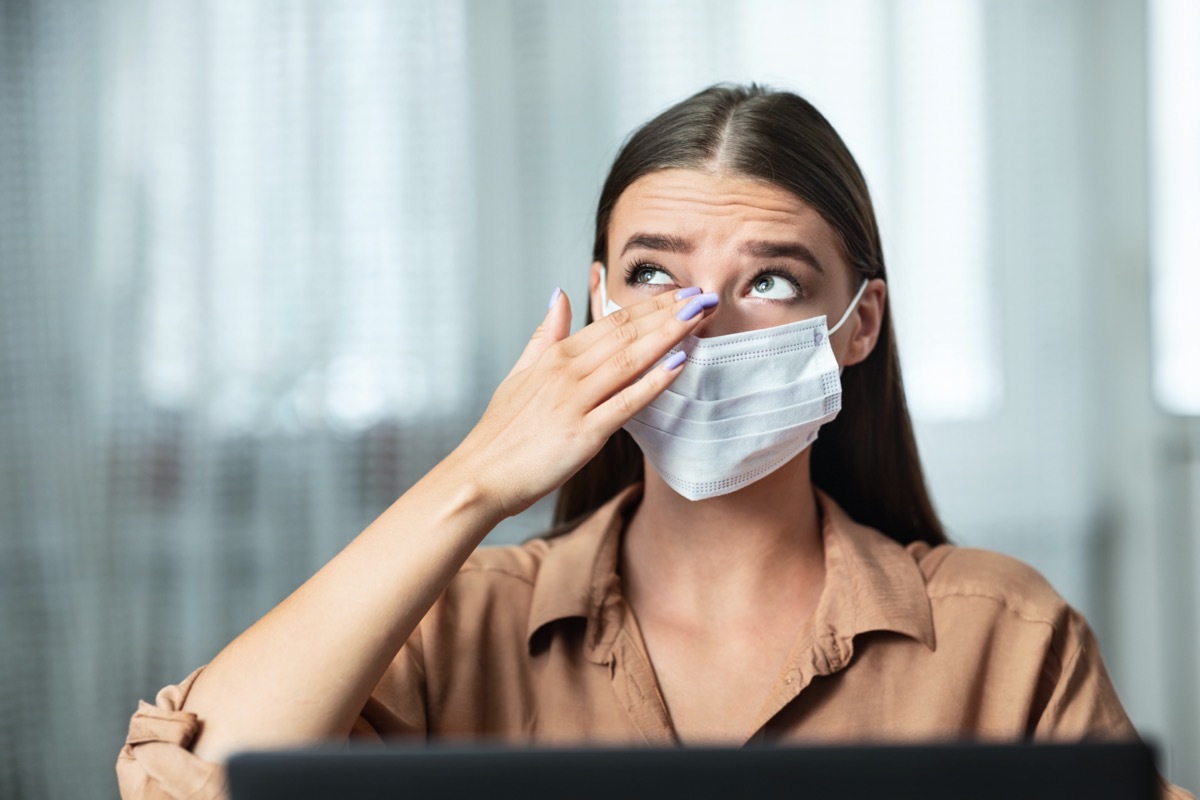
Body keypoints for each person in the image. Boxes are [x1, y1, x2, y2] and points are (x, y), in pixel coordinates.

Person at [116, 84, 1193, 799]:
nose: (702, 320)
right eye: (653, 276)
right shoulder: (459, 622)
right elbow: (193, 774)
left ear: (858, 322)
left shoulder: (1001, 634)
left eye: (769, 279)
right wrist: (476, 475)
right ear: (596, 302)